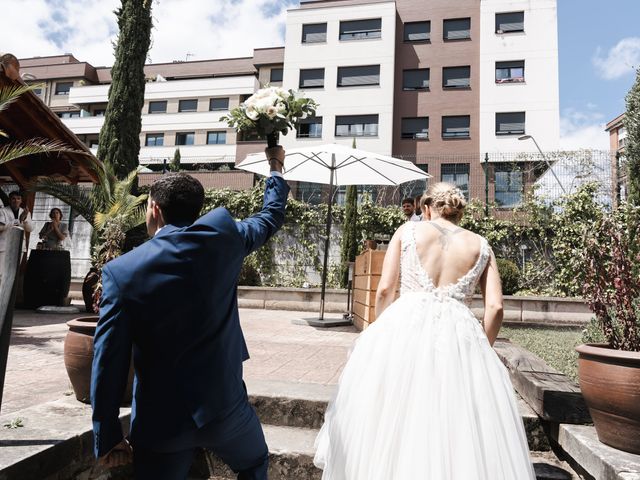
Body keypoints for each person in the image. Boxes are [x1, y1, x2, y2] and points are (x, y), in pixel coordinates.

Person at [91, 146, 289, 480]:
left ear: (154, 209)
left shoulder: (121, 273)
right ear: (197, 209)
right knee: (254, 463)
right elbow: (270, 216)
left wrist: (107, 435)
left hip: (161, 424)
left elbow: (108, 359)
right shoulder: (226, 239)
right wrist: (276, 167)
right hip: (226, 411)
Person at [314, 182, 535, 479]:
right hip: (459, 333)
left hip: (406, 325)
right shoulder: (482, 245)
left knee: (393, 415)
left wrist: (381, 331)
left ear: (426, 208)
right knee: (453, 423)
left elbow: (384, 290)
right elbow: (495, 308)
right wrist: (483, 347)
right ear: (459, 213)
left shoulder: (406, 232)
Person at [0, 191, 33, 283]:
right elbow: (1, 227)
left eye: (18, 199)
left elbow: (30, 229)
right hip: (3, 246)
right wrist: (18, 221)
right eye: (13, 198)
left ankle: (7, 297)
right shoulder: (2, 211)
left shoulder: (25, 212)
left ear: (21, 201)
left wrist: (25, 219)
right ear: (10, 200)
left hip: (19, 246)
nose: (16, 201)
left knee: (12, 274)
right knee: (1, 273)